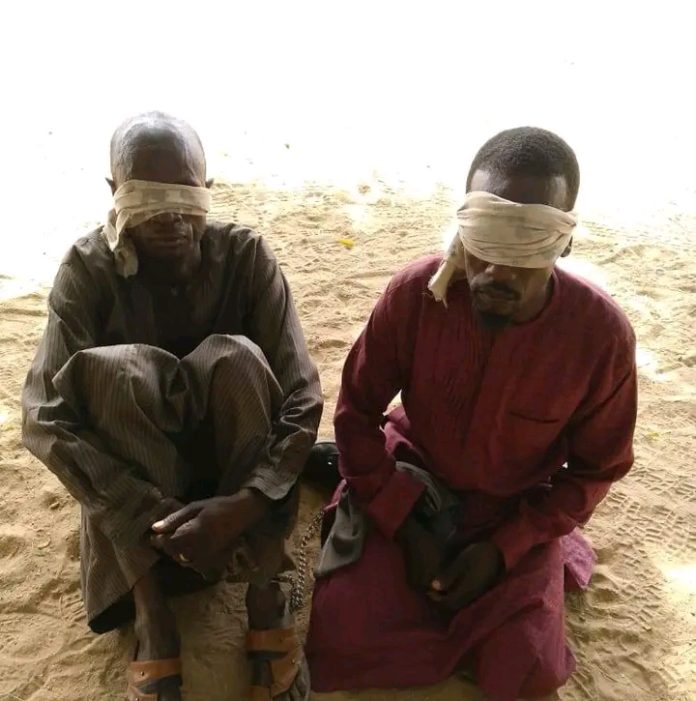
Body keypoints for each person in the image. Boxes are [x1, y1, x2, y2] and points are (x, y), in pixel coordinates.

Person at [305, 127, 637, 701]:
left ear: (564, 243)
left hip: (515, 508)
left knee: (528, 668)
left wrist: (505, 549)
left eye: (527, 244)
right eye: (486, 238)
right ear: (462, 227)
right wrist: (405, 526)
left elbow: (596, 470)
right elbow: (356, 413)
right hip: (412, 484)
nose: (498, 272)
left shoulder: (600, 338)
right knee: (341, 636)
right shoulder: (415, 295)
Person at [22, 111, 323, 701]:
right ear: (114, 192)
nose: (169, 215)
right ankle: (152, 611)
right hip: (140, 488)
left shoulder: (247, 258)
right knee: (111, 372)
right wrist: (151, 516)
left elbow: (302, 395)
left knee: (238, 357)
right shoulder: (88, 269)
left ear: (207, 188)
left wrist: (244, 505)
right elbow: (44, 416)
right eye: (146, 194)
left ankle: (266, 592)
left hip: (233, 475)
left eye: (184, 192)